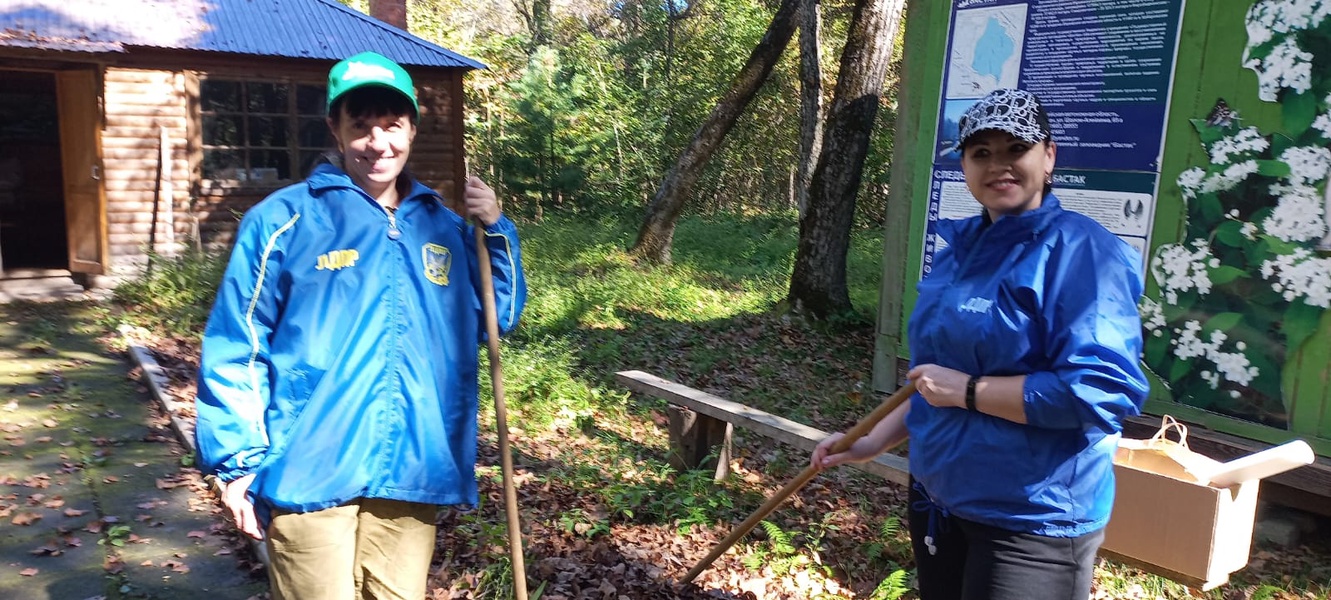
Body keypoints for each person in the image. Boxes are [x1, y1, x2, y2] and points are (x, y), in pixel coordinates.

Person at [194, 51, 527, 600]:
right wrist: (238, 462)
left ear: (412, 130)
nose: (378, 143)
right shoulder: (284, 222)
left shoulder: (443, 227)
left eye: (392, 125)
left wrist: (494, 230)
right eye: (361, 126)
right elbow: (238, 344)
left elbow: (493, 322)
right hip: (308, 468)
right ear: (335, 127)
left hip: (414, 466)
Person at [811, 88, 1148, 600]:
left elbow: (1100, 392)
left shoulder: (1084, 254)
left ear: (1049, 155)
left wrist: (969, 390)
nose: (999, 165)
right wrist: (870, 442)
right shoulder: (957, 253)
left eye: (1016, 149)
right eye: (981, 153)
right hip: (937, 500)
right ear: (964, 164)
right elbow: (930, 381)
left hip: (1030, 521)